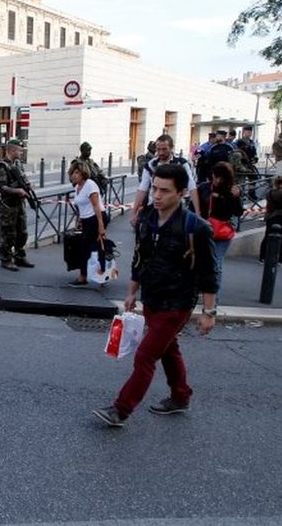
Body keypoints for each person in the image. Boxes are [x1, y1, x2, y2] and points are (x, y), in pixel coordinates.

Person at [93, 163, 218, 428]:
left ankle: (121, 409)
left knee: (146, 355)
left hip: (178, 302)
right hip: (152, 297)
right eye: (154, 189)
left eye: (164, 191)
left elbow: (209, 273)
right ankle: (180, 397)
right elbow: (140, 258)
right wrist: (131, 291)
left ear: (182, 192)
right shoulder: (147, 218)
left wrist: (209, 312)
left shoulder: (196, 227)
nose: (156, 196)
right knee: (169, 349)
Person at [192, 161, 243, 297]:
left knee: (216, 263)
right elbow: (193, 207)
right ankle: (198, 291)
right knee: (199, 262)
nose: (218, 180)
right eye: (216, 176)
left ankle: (213, 295)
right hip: (203, 230)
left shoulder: (231, 190)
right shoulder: (204, 188)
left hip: (221, 231)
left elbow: (238, 212)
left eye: (221, 178)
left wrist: (236, 197)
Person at [130, 134, 198, 227]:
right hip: (154, 208)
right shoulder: (150, 165)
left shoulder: (181, 163)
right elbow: (142, 188)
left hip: (176, 209)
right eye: (158, 149)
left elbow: (192, 187)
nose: (161, 153)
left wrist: (198, 213)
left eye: (164, 149)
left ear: (171, 148)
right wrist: (134, 212)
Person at [0, 138, 35, 271]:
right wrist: (16, 190)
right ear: (12, 150)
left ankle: (19, 256)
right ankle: (6, 259)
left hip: (19, 204)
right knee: (7, 233)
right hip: (8, 205)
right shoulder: (1, 166)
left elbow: (22, 178)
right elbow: (1, 187)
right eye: (20, 150)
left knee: (22, 232)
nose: (21, 153)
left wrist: (27, 186)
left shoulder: (17, 164)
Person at [68, 161, 106, 286]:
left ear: (83, 173)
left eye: (77, 172)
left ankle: (83, 276)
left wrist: (101, 226)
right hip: (86, 219)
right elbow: (81, 206)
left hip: (95, 218)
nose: (74, 175)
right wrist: (79, 220)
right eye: (73, 172)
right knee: (91, 247)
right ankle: (98, 274)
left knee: (88, 247)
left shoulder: (90, 185)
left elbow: (96, 206)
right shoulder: (77, 187)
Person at [258, 174, 282, 264]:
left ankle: (262, 256)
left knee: (267, 236)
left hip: (270, 215)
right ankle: (278, 257)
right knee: (280, 237)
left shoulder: (270, 192)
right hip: (281, 216)